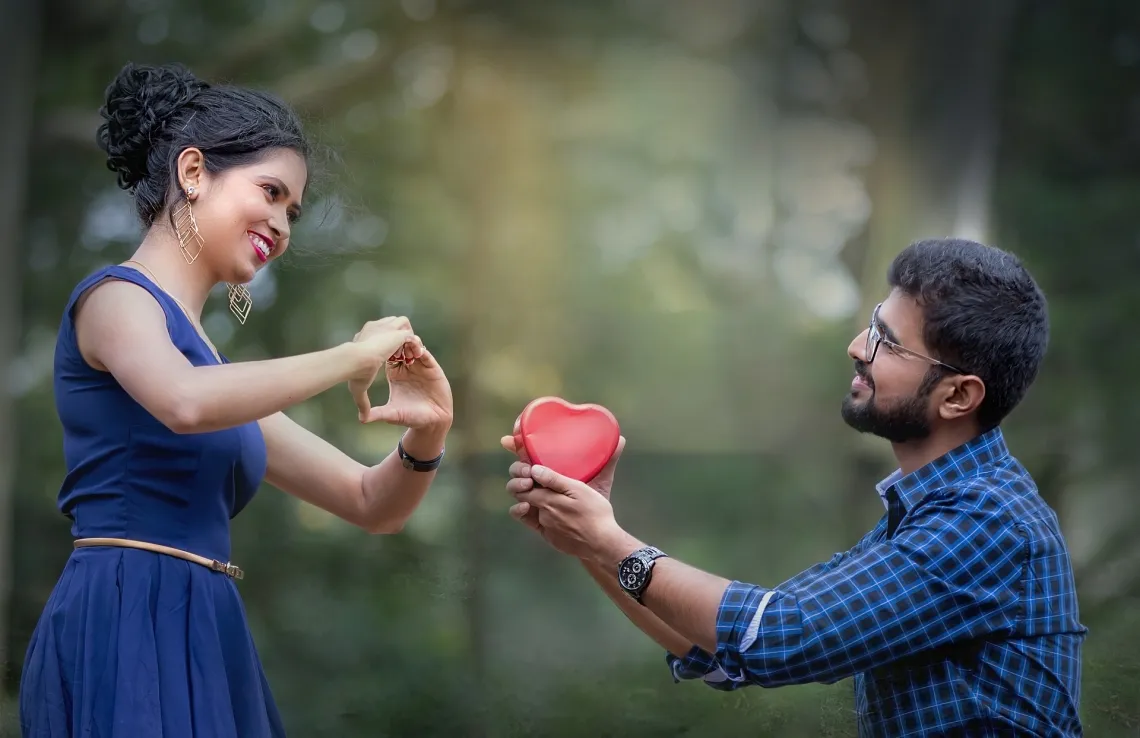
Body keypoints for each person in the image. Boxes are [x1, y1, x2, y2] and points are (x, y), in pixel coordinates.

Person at [19, 62, 454, 738]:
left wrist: (427, 435)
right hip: (125, 613)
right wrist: (349, 356)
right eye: (270, 192)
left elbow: (373, 504)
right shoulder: (116, 300)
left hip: (205, 628)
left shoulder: (217, 371)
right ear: (193, 173)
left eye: (293, 212)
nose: (281, 225)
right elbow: (183, 402)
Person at [502, 238, 1087, 736]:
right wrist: (590, 540)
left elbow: (780, 638)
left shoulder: (985, 522)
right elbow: (727, 652)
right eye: (871, 326)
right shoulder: (926, 512)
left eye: (888, 342)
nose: (858, 348)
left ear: (958, 395)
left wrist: (610, 543)